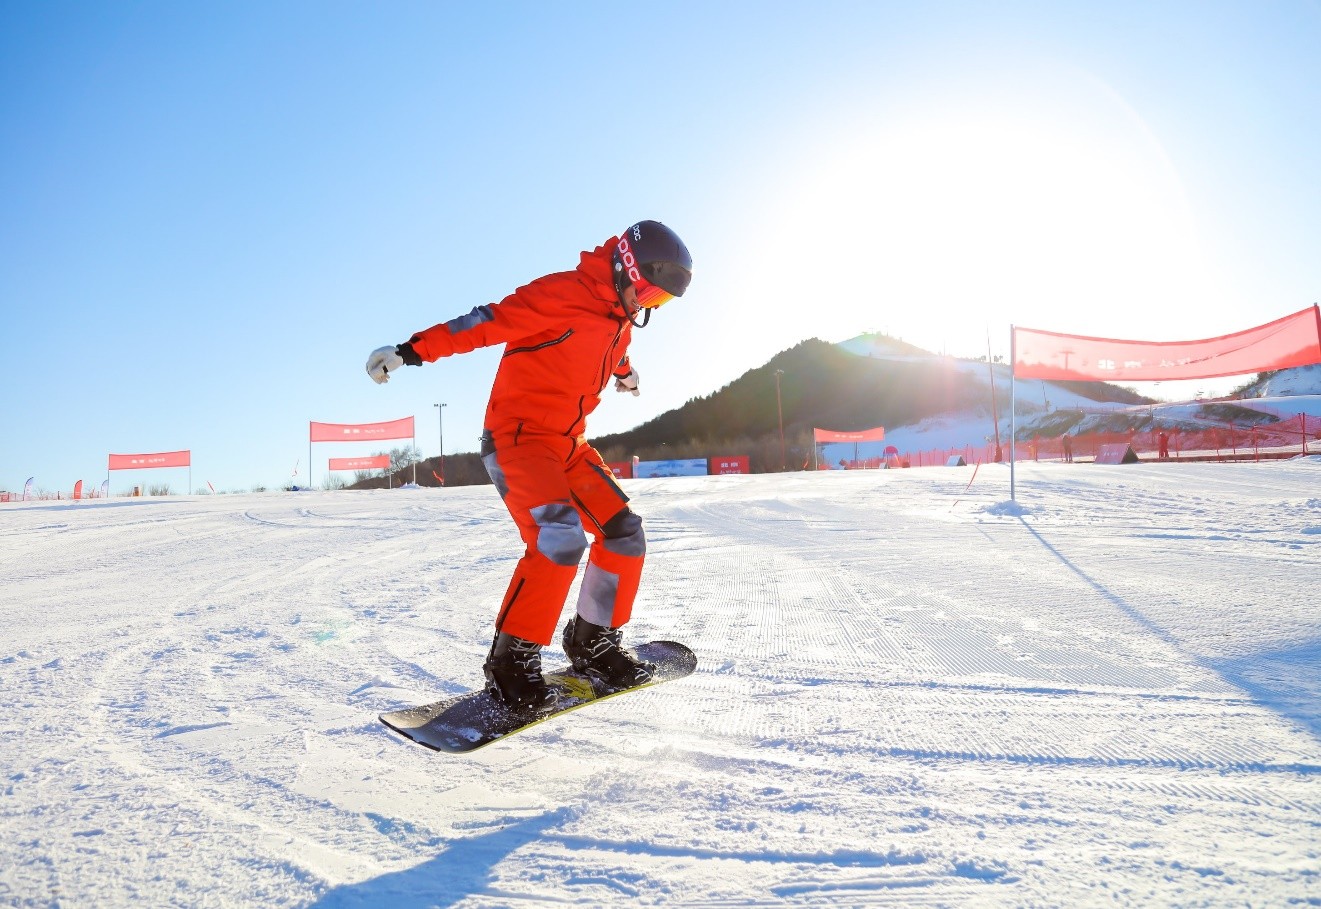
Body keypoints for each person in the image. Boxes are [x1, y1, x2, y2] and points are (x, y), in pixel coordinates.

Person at [365, 221, 692, 710]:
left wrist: (626, 375)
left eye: (659, 301)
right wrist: (410, 351)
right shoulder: (561, 292)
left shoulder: (621, 318)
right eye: (646, 290)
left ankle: (593, 642)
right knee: (558, 539)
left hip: (569, 446)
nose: (645, 304)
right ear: (625, 263)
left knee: (624, 533)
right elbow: (484, 323)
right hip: (518, 440)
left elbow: (614, 349)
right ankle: (510, 661)